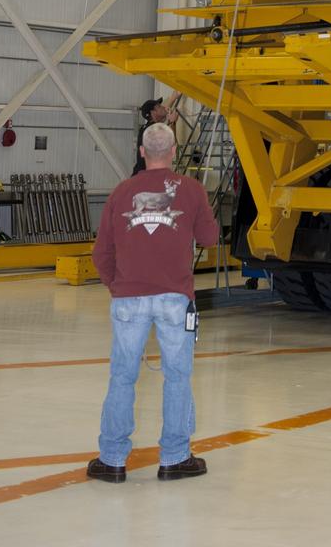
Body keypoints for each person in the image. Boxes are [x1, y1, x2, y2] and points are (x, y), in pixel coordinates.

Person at [88, 122, 220, 484]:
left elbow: (101, 252)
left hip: (129, 297)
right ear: (174, 151)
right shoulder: (192, 190)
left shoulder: (121, 192)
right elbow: (209, 238)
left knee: (122, 377)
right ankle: (175, 458)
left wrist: (117, 285)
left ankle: (112, 460)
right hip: (175, 299)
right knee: (178, 376)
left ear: (142, 152)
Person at [132, 94, 179, 176]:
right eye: (159, 106)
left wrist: (174, 97)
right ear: (153, 112)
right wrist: (173, 122)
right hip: (147, 178)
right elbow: (172, 143)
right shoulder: (154, 131)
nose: (164, 107)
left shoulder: (149, 128)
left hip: (141, 175)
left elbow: (162, 112)